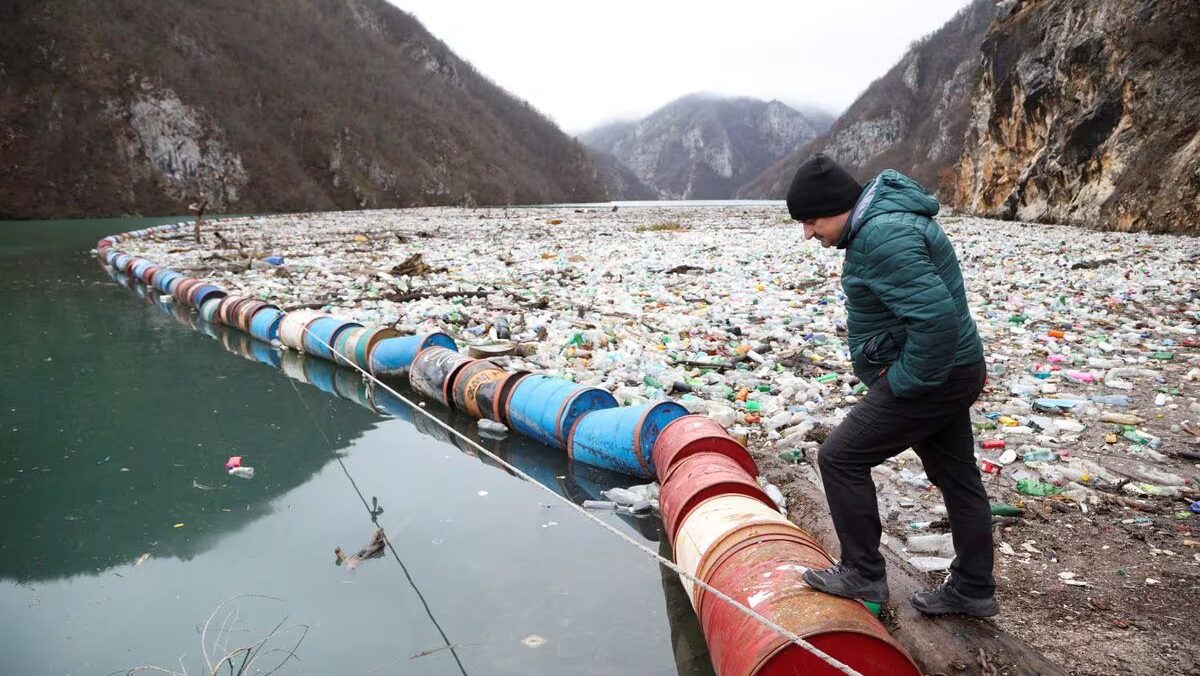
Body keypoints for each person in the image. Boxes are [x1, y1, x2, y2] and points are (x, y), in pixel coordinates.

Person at [785, 154, 997, 617]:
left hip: (933, 375)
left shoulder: (881, 236)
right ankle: (974, 586)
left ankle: (863, 572)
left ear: (839, 206)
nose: (807, 233)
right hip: (956, 367)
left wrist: (904, 383)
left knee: (839, 458)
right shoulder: (885, 222)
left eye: (811, 220)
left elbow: (935, 320)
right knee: (957, 476)